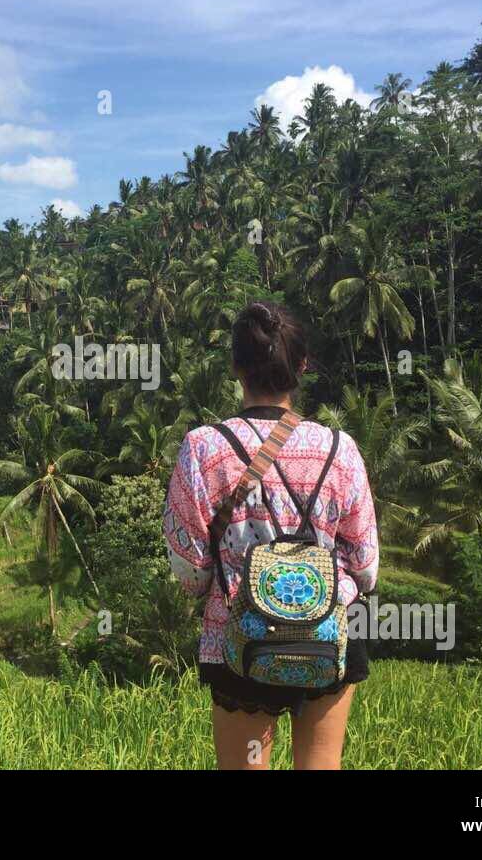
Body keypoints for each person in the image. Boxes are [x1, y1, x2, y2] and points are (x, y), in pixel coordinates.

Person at [163, 301, 379, 769]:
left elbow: (189, 570)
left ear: (236, 367)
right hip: (327, 633)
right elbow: (365, 567)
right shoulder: (340, 449)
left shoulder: (202, 447)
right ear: (302, 366)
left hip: (239, 636)